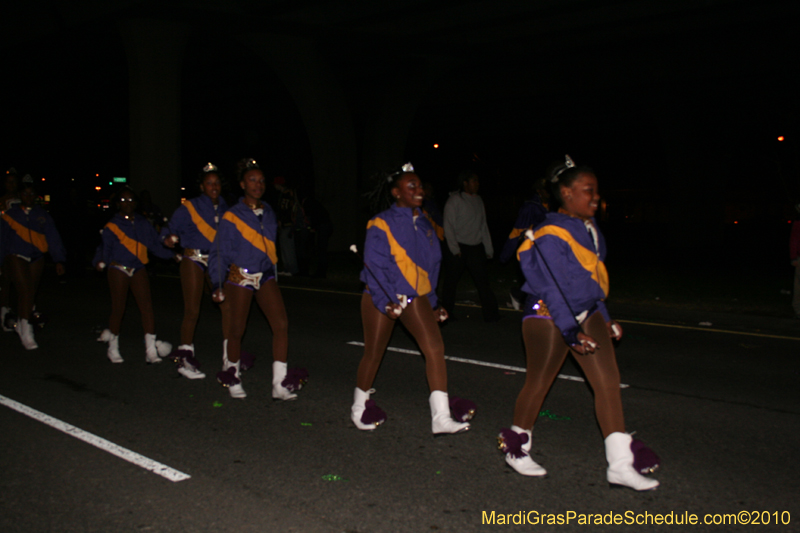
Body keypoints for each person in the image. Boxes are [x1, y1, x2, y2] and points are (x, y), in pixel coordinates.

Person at [498, 156, 659, 491]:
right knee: (539, 383)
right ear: (566, 193)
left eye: (597, 192)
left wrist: (605, 314)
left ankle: (619, 465)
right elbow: (553, 288)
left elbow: (591, 279)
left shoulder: (590, 227)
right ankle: (516, 449)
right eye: (589, 191)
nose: (596, 198)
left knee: (608, 384)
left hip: (588, 311)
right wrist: (570, 331)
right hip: (547, 314)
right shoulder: (547, 232)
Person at [351, 163, 471, 435]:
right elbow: (374, 265)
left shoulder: (427, 224)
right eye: (411, 186)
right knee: (374, 353)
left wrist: (433, 302)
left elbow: (431, 268)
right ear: (396, 192)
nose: (419, 190)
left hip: (415, 296)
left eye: (420, 185)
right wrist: (385, 301)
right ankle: (359, 408)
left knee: (435, 349)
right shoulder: (381, 222)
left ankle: (440, 417)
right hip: (380, 294)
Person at [209, 159, 306, 400]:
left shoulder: (270, 211)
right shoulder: (232, 216)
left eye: (261, 181)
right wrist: (217, 283)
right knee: (237, 328)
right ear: (242, 184)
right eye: (252, 180)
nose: (258, 185)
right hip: (240, 276)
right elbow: (219, 252)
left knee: (281, 324)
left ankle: (279, 384)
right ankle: (232, 375)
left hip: (264, 276)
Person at [162, 163, 230, 379]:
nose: (214, 187)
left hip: (216, 261)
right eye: (209, 183)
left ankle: (231, 360)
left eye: (217, 183)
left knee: (228, 308)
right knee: (192, 310)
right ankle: (184, 361)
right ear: (202, 186)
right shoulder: (190, 207)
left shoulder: (226, 207)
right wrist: (167, 237)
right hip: (193, 259)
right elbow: (170, 227)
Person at [94, 187, 175, 363]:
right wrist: (101, 261)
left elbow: (154, 244)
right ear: (117, 204)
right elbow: (104, 248)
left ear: (136, 203)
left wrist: (173, 255)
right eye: (123, 201)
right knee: (119, 308)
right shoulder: (112, 225)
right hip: (118, 267)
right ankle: (113, 348)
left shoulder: (143, 222)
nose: (127, 204)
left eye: (131, 200)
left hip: (138, 267)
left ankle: (150, 350)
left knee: (146, 307)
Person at [0, 177, 66, 349]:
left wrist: (58, 259)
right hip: (16, 255)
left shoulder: (42, 215)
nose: (28, 196)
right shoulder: (10, 215)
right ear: (20, 195)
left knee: (29, 293)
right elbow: (2, 239)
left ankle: (22, 323)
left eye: (31, 194)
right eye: (25, 193)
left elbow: (53, 238)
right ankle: (27, 330)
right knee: (25, 289)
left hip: (36, 256)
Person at [440, 171, 500, 321]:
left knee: (483, 281)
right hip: (458, 246)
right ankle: (446, 313)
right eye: (474, 180)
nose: (477, 184)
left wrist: (488, 248)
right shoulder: (454, 200)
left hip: (475, 246)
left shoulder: (478, 200)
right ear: (465, 183)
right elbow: (448, 226)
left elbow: (483, 225)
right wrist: (455, 249)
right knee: (451, 282)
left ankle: (491, 314)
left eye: (477, 181)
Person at [499, 180, 549, 310]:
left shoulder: (550, 205)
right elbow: (517, 232)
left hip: (547, 250)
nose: (549, 193)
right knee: (537, 283)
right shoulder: (530, 206)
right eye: (546, 190)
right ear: (539, 191)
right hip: (532, 251)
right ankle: (530, 313)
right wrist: (505, 255)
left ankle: (519, 296)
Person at [790, 204, 800, 318]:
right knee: (798, 285)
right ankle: (797, 307)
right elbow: (793, 241)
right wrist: (793, 258)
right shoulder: (798, 224)